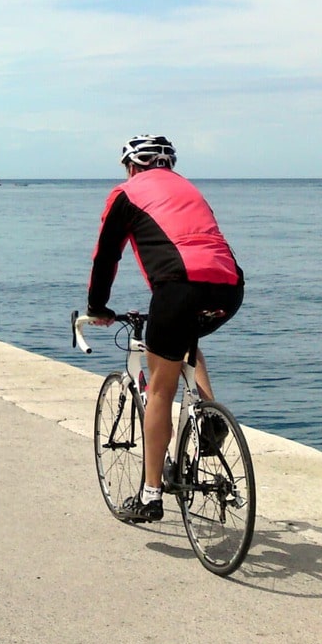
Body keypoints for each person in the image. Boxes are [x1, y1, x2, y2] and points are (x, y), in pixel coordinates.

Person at [86, 134, 245, 524]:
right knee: (185, 339)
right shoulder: (190, 190)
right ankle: (209, 415)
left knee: (160, 388)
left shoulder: (125, 193)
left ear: (130, 166)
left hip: (178, 288)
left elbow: (106, 256)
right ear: (168, 165)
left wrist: (97, 307)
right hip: (230, 287)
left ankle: (150, 494)